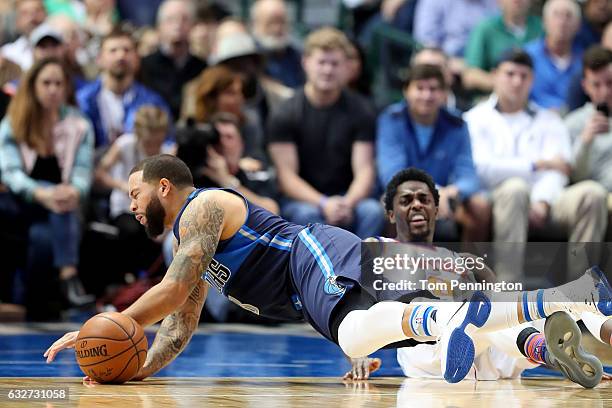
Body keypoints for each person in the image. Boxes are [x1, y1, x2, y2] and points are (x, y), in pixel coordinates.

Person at [44, 155, 612, 385]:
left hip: (309, 255)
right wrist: (140, 370)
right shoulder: (188, 244)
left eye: (135, 192)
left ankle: (470, 318)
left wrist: (110, 320)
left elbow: (170, 292)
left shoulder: (202, 207)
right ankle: (567, 307)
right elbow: (181, 319)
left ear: (163, 186)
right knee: (407, 348)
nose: (132, 204)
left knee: (368, 328)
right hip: (316, 280)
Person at [345, 168, 610, 387]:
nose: (416, 204)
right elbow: (354, 307)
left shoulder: (462, 260)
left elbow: (505, 299)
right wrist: (356, 353)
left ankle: (570, 349)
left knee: (538, 309)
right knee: (475, 318)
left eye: (424, 199)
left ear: (436, 210)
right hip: (429, 351)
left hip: (492, 355)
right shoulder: (378, 246)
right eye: (406, 200)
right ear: (391, 214)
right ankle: (545, 350)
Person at [268, 27, 384, 239]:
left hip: (346, 197)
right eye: (322, 62)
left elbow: (365, 170)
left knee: (372, 211)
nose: (328, 70)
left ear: (347, 67)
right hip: (303, 200)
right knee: (307, 214)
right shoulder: (285, 112)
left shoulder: (362, 110)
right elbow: (286, 177)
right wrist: (323, 203)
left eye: (335, 63)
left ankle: (365, 271)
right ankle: (320, 273)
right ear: (306, 63)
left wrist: (348, 202)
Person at [0, 58, 95, 313]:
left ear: (66, 88)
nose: (52, 89)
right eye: (46, 83)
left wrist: (74, 190)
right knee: (51, 200)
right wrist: (41, 192)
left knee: (42, 239)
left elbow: (83, 172)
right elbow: (10, 173)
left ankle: (36, 306)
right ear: (33, 86)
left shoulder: (80, 124)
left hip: (63, 205)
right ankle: (69, 276)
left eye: (58, 83)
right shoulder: (14, 122)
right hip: (21, 202)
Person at [96, 105, 174, 279]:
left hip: (154, 209)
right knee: (135, 232)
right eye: (148, 143)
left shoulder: (168, 151)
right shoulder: (125, 144)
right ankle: (131, 278)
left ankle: (152, 280)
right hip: (126, 207)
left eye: (157, 142)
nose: (153, 147)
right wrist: (123, 186)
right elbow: (100, 173)